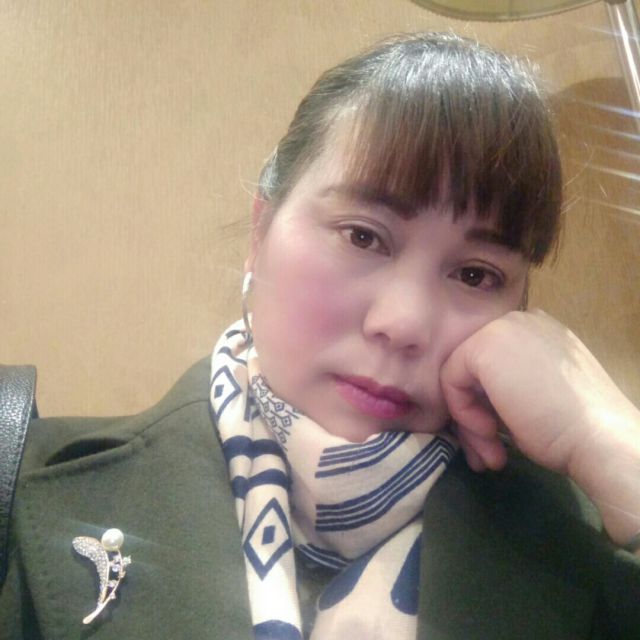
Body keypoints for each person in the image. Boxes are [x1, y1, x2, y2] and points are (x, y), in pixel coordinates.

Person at [2, 32, 639, 640]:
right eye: (363, 236)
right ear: (260, 233)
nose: (403, 323)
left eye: (475, 275)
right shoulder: (20, 478)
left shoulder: (575, 545)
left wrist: (611, 441)